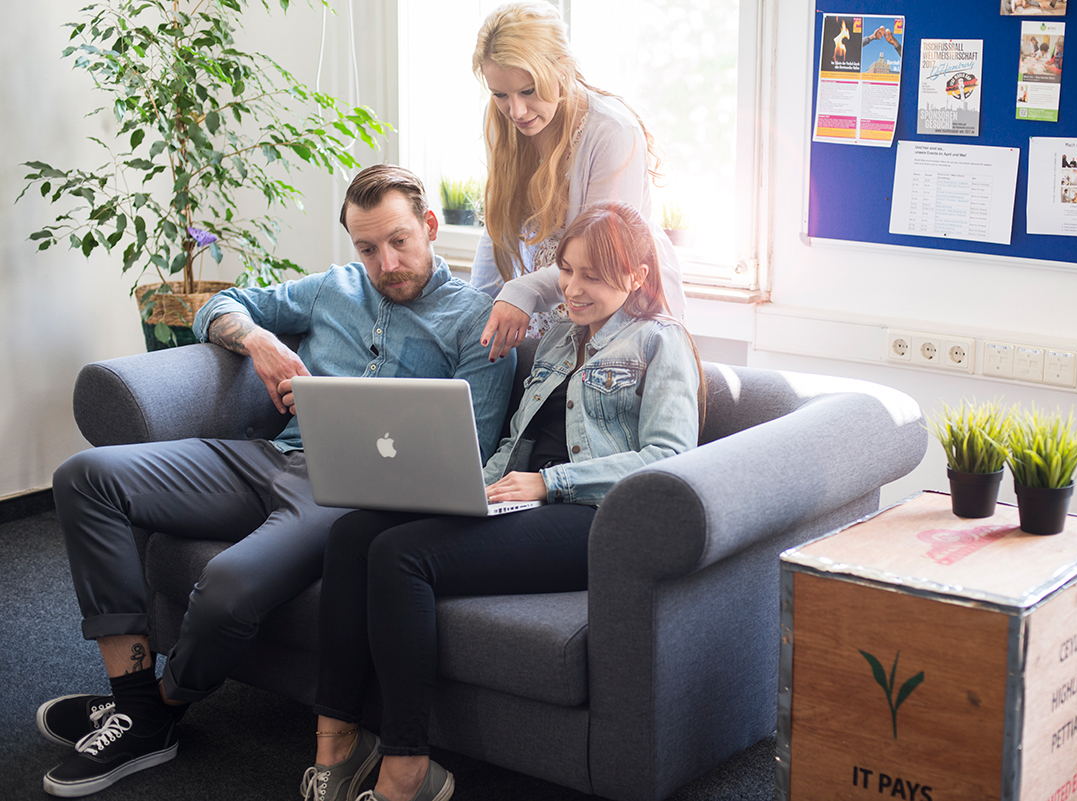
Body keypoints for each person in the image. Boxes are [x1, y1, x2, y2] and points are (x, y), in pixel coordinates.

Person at [37, 165, 516, 797]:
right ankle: (134, 707)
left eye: (399, 241)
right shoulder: (333, 288)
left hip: (345, 498)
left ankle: (155, 711)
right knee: (85, 476)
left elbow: (467, 455)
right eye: (367, 248)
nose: (385, 262)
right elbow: (218, 305)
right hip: (265, 457)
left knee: (227, 588)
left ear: (430, 226)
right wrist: (259, 339)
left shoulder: (477, 323)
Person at [300, 202, 703, 801]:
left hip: (586, 519)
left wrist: (553, 483)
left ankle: (408, 769)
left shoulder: (659, 343)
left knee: (401, 557)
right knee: (353, 534)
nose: (572, 288)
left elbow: (667, 459)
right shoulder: (558, 337)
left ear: (638, 276)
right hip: (518, 498)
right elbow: (518, 441)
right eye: (566, 270)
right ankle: (336, 745)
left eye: (592, 275)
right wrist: (468, 484)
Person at [469, 1, 686, 362]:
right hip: (554, 312)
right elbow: (499, 229)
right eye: (500, 94)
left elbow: (602, 257)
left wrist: (522, 290)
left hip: (619, 316)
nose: (516, 111)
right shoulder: (505, 120)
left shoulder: (612, 132)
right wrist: (477, 310)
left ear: (562, 69)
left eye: (528, 91)